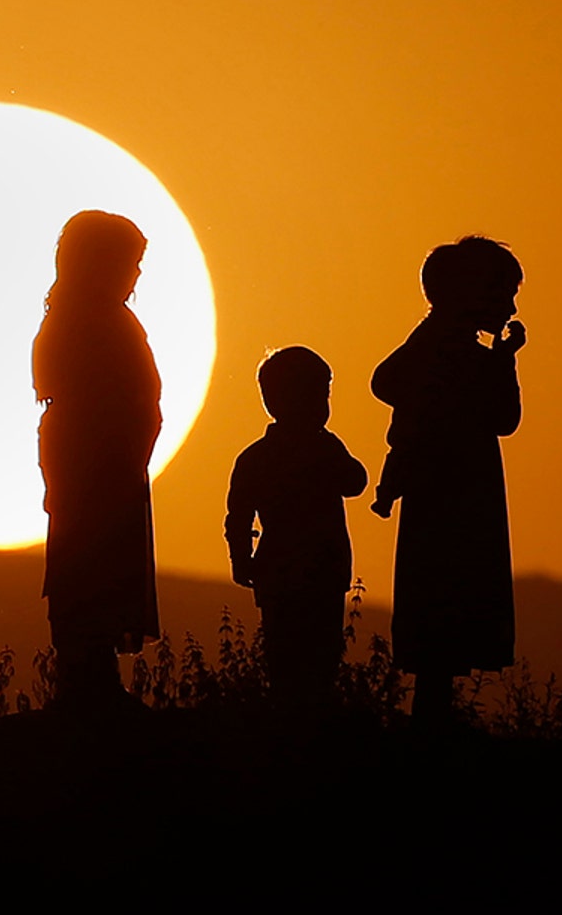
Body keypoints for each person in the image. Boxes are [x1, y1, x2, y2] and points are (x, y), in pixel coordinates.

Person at [370, 236, 526, 724]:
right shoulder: (455, 353)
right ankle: (433, 717)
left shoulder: (446, 347)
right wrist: (503, 360)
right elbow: (505, 417)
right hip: (456, 490)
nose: (510, 305)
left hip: (448, 487)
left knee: (442, 593)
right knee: (448, 592)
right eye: (502, 293)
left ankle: (434, 709)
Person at [33, 210, 162, 711]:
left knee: (94, 563)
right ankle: (87, 683)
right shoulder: (87, 320)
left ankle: (92, 677)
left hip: (108, 460)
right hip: (95, 462)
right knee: (91, 561)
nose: (136, 275)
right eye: (129, 263)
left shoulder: (75, 317)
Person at [225, 346, 369, 709]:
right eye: (321, 394)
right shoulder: (324, 448)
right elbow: (356, 481)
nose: (324, 404)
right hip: (322, 568)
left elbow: (238, 515)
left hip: (279, 571)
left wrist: (241, 559)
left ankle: (290, 720)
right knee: (318, 657)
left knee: (285, 655)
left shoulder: (255, 457)